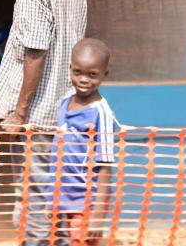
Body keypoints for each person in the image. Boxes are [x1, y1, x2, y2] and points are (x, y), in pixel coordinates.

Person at [0, 0, 87, 244]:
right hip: (66, 110)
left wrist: (20, 113)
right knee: (56, 196)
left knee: (33, 200)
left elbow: (35, 51)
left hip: (38, 118)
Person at [51, 38, 117, 245]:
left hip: (85, 201)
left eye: (92, 74)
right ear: (70, 68)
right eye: (77, 72)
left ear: (104, 74)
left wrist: (97, 216)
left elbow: (105, 168)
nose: (83, 80)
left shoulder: (101, 113)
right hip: (60, 197)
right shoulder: (64, 104)